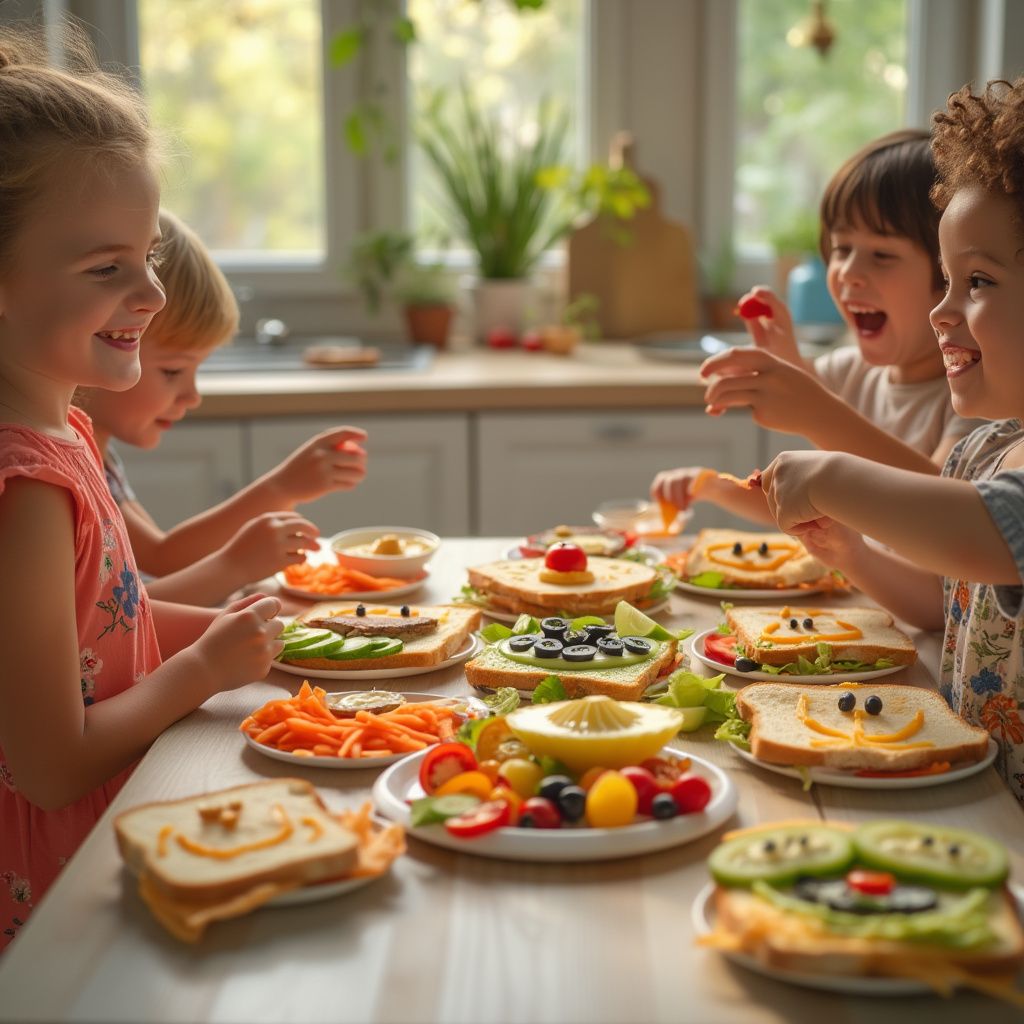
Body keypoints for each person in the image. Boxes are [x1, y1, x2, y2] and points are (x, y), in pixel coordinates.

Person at [0, 27, 285, 950]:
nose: (153, 294)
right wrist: (206, 670)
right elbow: (49, 765)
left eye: (147, 256)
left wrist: (291, 649)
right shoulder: (25, 490)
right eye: (106, 269)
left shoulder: (66, 430)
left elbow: (110, 627)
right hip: (51, 887)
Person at [758, 77, 1024, 807]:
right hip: (973, 789)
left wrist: (836, 476)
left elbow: (980, 529)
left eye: (974, 282)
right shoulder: (994, 442)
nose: (945, 310)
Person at [652, 129, 981, 525]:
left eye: (881, 254)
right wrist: (712, 486)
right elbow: (809, 504)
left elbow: (946, 515)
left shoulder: (977, 395)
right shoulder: (845, 373)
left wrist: (817, 412)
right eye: (841, 249)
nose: (849, 273)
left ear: (949, 275)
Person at [78, 210, 369, 606]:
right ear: (111, 339)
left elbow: (165, 556)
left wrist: (282, 489)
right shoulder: (64, 467)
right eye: (174, 370)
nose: (192, 395)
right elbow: (113, 623)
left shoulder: (99, 455)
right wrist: (234, 567)